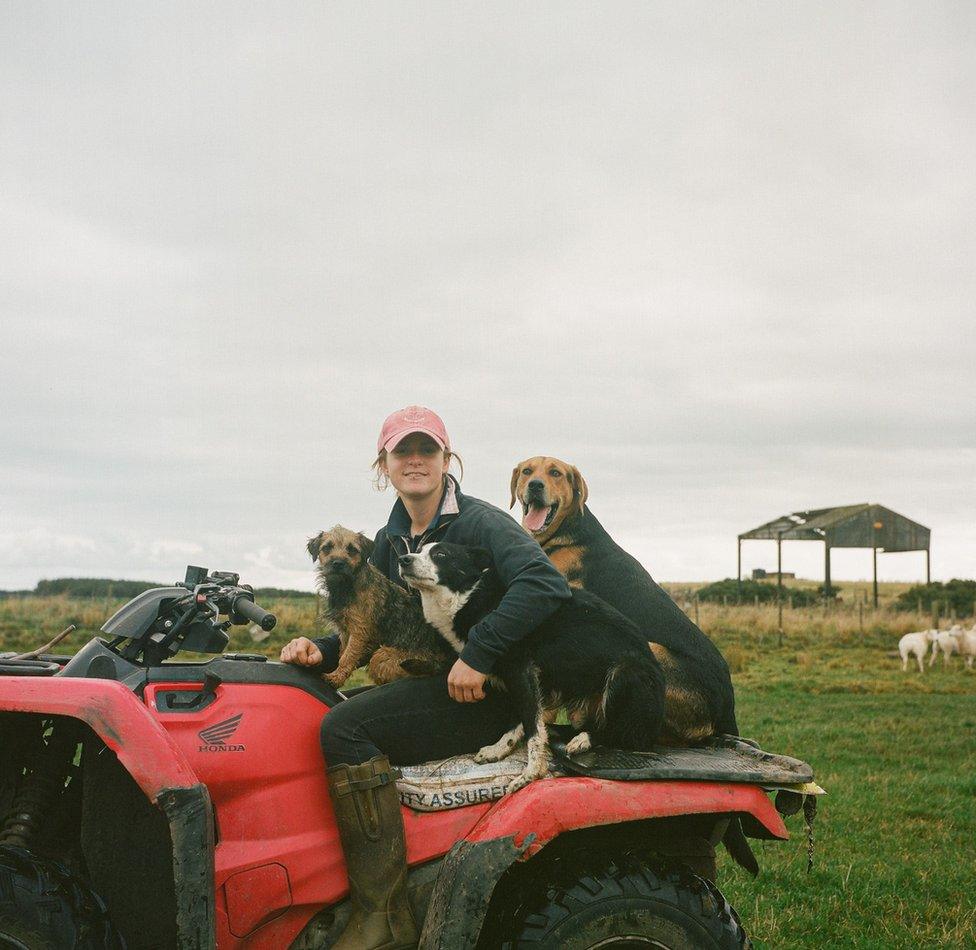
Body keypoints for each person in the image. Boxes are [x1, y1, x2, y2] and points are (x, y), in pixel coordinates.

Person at [280, 405, 571, 950]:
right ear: (384, 464)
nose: (415, 460)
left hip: (488, 691)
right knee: (314, 703)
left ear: (446, 458)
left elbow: (544, 586)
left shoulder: (481, 521)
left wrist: (480, 655)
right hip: (432, 670)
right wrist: (319, 651)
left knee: (343, 729)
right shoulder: (390, 538)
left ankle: (381, 916)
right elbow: (384, 621)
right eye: (402, 451)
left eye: (427, 449)